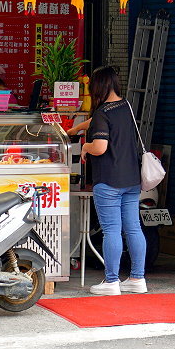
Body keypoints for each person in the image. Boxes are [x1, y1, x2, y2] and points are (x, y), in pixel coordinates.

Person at [69, 66, 146, 295]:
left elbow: (100, 147)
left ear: (98, 86)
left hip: (109, 182)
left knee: (112, 231)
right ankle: (137, 279)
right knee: (133, 229)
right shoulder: (126, 107)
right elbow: (95, 122)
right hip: (132, 179)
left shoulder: (103, 111)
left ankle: (112, 282)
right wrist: (75, 129)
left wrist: (85, 146)